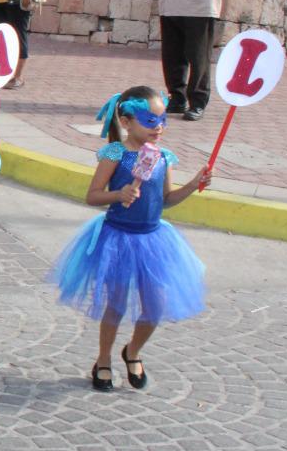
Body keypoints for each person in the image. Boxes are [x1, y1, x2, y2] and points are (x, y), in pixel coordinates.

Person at [51, 86, 210, 392]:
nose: (159, 126)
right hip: (119, 239)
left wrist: (194, 184)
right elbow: (92, 195)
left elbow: (166, 199)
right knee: (116, 305)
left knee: (155, 306)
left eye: (162, 119)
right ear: (126, 122)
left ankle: (133, 351)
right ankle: (103, 359)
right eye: (149, 121)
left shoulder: (163, 157)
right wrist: (119, 193)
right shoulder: (117, 155)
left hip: (154, 240)